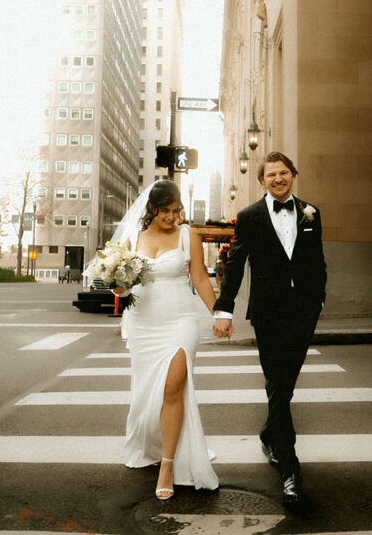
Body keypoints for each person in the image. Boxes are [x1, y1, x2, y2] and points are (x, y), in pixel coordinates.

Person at [213, 151, 326, 505]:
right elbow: (235, 264)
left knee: (285, 383)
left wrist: (319, 297)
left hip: (303, 311)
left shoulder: (311, 212)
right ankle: (290, 469)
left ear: (294, 175)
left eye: (284, 173)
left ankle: (268, 432)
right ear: (261, 180)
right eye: (271, 174)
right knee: (277, 381)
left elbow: (316, 259)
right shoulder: (249, 217)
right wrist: (224, 309)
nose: (278, 178)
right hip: (269, 313)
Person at [113, 179, 219, 499]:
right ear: (151, 209)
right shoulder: (133, 238)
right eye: (166, 211)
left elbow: (199, 278)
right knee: (149, 395)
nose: (173, 217)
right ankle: (155, 444)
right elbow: (122, 285)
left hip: (180, 321)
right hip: (144, 324)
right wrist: (118, 287)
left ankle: (168, 466)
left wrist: (220, 314)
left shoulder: (189, 237)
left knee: (173, 388)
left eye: (177, 210)